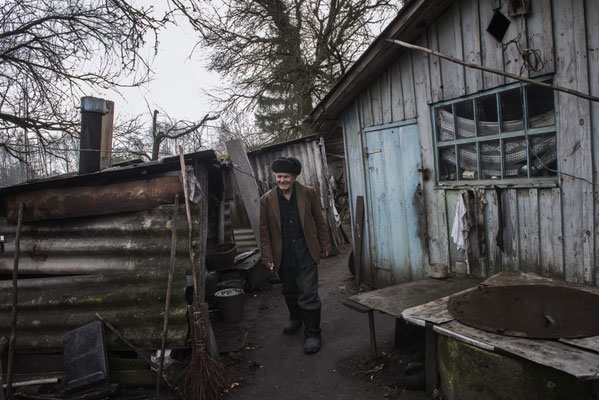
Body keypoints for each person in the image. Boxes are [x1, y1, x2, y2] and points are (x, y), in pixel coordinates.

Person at [259, 156, 331, 354]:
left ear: (294, 177)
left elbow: (319, 220)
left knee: (308, 294)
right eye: (279, 177)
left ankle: (313, 333)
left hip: (306, 252)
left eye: (286, 177)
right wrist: (267, 256)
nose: (282, 180)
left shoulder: (308, 193)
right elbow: (264, 231)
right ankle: (296, 318)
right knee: (290, 292)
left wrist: (325, 244)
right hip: (283, 256)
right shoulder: (267, 200)